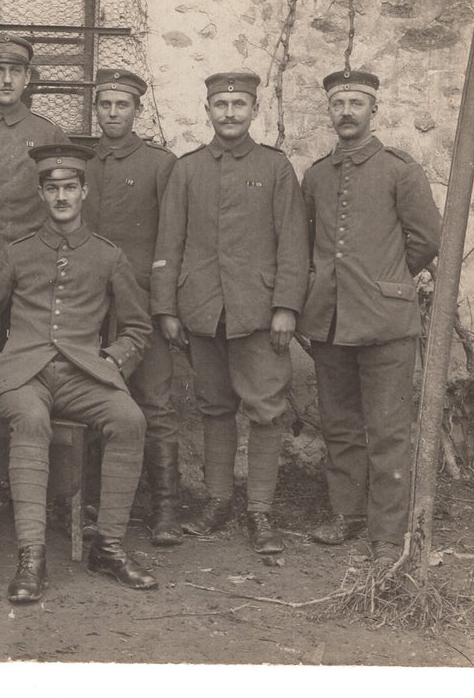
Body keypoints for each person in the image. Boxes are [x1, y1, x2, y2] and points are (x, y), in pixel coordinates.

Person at [0, 143, 157, 602]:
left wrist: (114, 359)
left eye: (70, 187)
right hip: (21, 374)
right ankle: (32, 558)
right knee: (30, 420)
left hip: (81, 374)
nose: (62, 197)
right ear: (41, 194)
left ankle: (108, 547)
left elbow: (137, 326)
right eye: (52, 189)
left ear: (84, 191)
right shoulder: (17, 253)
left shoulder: (108, 256)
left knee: (130, 420)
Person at [153, 72, 309, 556]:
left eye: (239, 104)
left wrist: (285, 306)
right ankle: (218, 499)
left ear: (254, 109)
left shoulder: (276, 167)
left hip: (257, 311)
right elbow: (169, 242)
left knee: (265, 410)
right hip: (201, 308)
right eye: (220, 104)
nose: (229, 113)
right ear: (207, 110)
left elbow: (294, 245)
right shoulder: (188, 169)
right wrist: (166, 307)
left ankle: (260, 510)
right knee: (213, 406)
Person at [299, 69, 442, 563]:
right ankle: (347, 512)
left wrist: (392, 283)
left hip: (385, 324)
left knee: (387, 430)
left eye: (356, 103)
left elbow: (427, 239)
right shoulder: (316, 175)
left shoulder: (401, 170)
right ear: (330, 110)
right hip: (330, 322)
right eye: (338, 103)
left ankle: (386, 533)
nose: (346, 112)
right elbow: (306, 243)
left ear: (374, 110)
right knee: (338, 425)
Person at [81, 69, 184, 546]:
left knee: (155, 402)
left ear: (137, 110)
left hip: (141, 305)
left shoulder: (160, 164)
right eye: (105, 105)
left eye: (123, 105)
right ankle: (91, 502)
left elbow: (172, 240)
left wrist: (163, 307)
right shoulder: (81, 161)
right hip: (90, 307)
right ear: (95, 108)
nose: (113, 113)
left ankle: (164, 507)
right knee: (91, 399)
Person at [0, 33, 69, 309]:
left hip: (34, 272)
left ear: (27, 78)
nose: (7, 80)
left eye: (15, 71)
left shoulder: (48, 133)